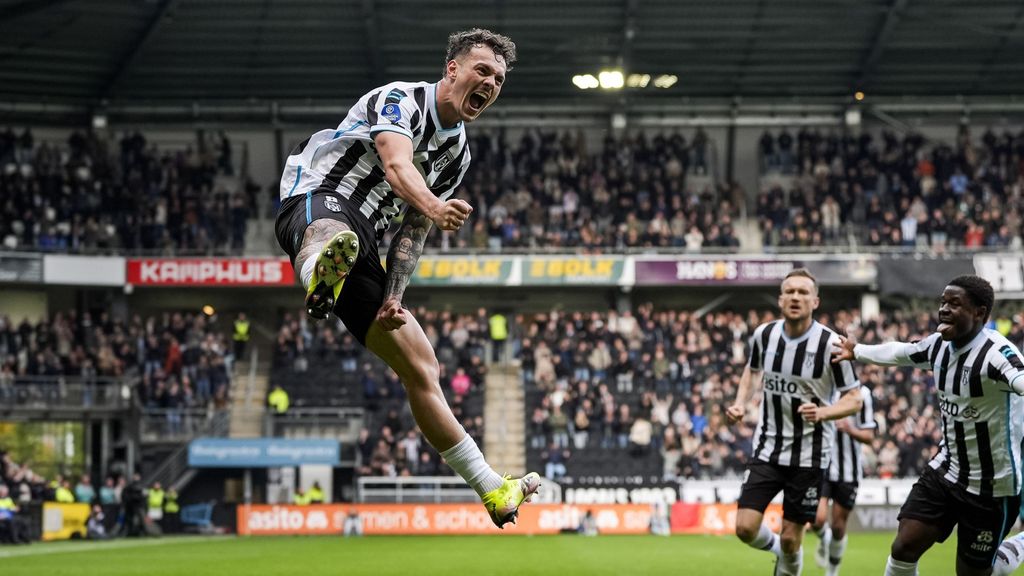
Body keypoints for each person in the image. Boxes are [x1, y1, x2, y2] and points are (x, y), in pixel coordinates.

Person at [273, 28, 537, 528]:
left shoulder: (457, 153)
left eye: (499, 79)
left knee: (423, 367)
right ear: (452, 69)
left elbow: (412, 233)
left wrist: (394, 296)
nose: (491, 83)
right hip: (319, 196)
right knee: (330, 231)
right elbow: (396, 166)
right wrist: (437, 206)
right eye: (482, 70)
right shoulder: (401, 100)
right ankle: (317, 274)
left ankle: (491, 487)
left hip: (363, 246)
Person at [833, 275, 1024, 576]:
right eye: (943, 302)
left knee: (975, 573)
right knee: (903, 547)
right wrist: (857, 351)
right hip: (946, 470)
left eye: (955, 304)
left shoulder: (997, 355)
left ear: (979, 312)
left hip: (992, 485)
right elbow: (899, 353)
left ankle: (1019, 545)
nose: (944, 309)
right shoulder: (938, 347)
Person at [726, 269, 863, 576]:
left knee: (792, 539)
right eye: (790, 292)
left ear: (815, 301)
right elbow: (752, 371)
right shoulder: (765, 335)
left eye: (803, 292)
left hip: (809, 455)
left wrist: (824, 413)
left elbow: (854, 398)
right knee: (745, 528)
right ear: (780, 299)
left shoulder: (831, 345)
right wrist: (740, 403)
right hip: (768, 447)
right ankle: (775, 550)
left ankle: (787, 564)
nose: (795, 297)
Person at [810, 384, 877, 576]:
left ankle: (832, 571)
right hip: (821, 466)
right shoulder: (822, 386)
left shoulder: (862, 394)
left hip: (848, 471)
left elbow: (869, 436)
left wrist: (849, 429)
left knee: (838, 527)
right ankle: (824, 540)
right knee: (817, 518)